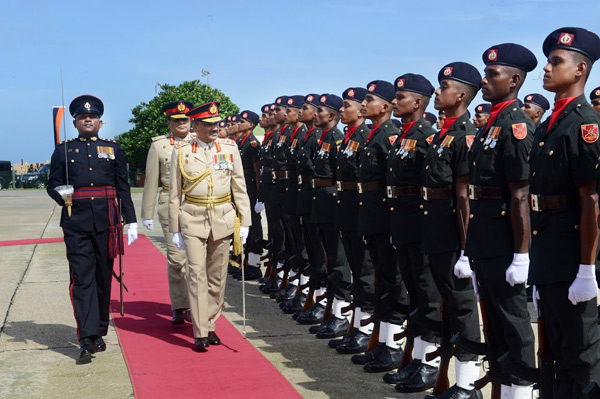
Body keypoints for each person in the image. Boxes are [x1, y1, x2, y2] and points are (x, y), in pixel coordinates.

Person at [529, 27, 600, 397]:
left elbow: (591, 201)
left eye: (556, 61)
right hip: (549, 252)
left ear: (579, 70)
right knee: (554, 351)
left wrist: (587, 270)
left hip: (573, 256)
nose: (546, 67)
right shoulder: (549, 125)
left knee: (582, 356)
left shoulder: (585, 124)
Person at [405, 63, 483, 395]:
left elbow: (464, 197)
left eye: (444, 86)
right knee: (433, 300)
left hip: (453, 234)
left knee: (462, 305)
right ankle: (429, 365)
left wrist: (467, 249)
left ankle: (467, 382)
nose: (437, 92)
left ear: (461, 95)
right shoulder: (444, 134)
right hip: (434, 229)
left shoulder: (465, 135)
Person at [467, 43, 538, 399]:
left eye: (492, 74)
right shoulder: (491, 124)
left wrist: (521, 254)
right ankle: (500, 387)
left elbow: (521, 193)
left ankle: (521, 392)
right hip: (486, 236)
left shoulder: (516, 125)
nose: (484, 80)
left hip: (504, 240)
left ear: (513, 81)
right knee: (493, 320)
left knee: (513, 322)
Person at [47, 95, 138, 359]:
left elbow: (123, 186)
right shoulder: (63, 150)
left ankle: (99, 330)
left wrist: (130, 219)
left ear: (100, 121)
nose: (88, 119)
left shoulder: (113, 149)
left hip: (107, 221)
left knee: (102, 277)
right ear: (75, 122)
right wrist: (60, 195)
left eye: (93, 116)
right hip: (76, 221)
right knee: (82, 278)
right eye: (83, 117)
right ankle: (86, 336)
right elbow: (51, 184)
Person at [168, 101, 250, 350]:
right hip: (192, 217)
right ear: (196, 125)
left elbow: (240, 187)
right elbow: (174, 193)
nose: (214, 128)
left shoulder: (229, 147)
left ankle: (211, 323)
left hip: (223, 219)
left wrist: (245, 222)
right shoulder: (182, 152)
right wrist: (174, 230)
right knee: (196, 274)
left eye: (216, 124)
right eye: (208, 124)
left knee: (217, 277)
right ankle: (200, 331)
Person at [341, 81, 409, 370]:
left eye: (369, 100)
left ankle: (392, 346)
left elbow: (392, 183)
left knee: (391, 282)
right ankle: (381, 342)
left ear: (386, 106)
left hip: (384, 217)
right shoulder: (374, 135)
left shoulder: (389, 135)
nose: (364, 105)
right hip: (371, 215)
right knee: (379, 279)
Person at [383, 74, 442, 385]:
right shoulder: (403, 136)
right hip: (403, 224)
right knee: (415, 295)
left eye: (401, 97)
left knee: (427, 295)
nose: (395, 102)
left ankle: (431, 362)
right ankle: (417, 359)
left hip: (420, 227)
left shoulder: (425, 136)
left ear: (418, 103)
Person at [329, 87, 375, 349]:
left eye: (347, 105)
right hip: (345, 208)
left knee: (365, 272)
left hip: (360, 209)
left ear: (360, 111)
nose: (342, 110)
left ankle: (366, 329)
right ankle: (356, 326)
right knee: (356, 271)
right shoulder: (349, 137)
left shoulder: (365, 136)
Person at [141, 100, 194, 325]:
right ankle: (180, 306)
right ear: (169, 123)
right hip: (169, 206)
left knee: (197, 260)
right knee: (176, 259)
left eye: (185, 119)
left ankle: (196, 305)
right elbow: (151, 180)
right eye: (176, 120)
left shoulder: (201, 141)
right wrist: (146, 213)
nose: (181, 123)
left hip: (196, 206)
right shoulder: (159, 146)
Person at [231, 110, 263, 281]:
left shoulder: (252, 144)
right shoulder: (241, 142)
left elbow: (257, 171)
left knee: (254, 229)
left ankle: (255, 265)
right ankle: (245, 263)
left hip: (250, 187)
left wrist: (259, 195)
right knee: (243, 226)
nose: (239, 124)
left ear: (251, 124)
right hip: (242, 186)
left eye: (243, 121)